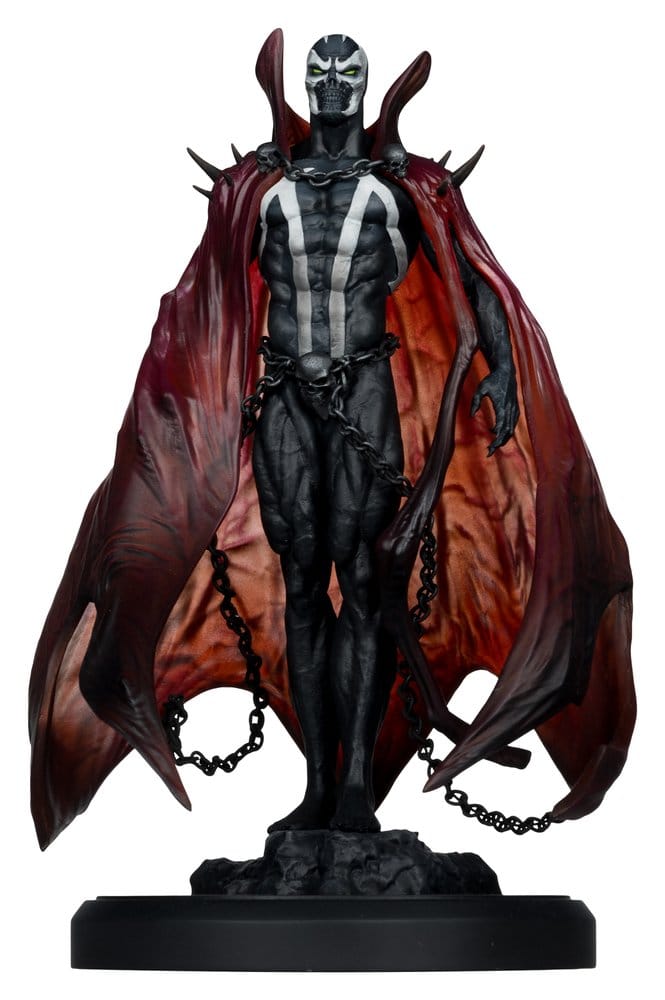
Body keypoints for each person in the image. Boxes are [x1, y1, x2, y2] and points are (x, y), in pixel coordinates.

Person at [253, 34, 518, 832]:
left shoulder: (398, 190)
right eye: (319, 73)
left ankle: (358, 787)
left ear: (364, 86)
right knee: (301, 584)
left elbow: (470, 275)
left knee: (365, 583)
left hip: (363, 392)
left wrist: (503, 367)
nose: (332, 84)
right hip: (284, 396)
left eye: (348, 73)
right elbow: (207, 290)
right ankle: (315, 786)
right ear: (305, 86)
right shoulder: (263, 186)